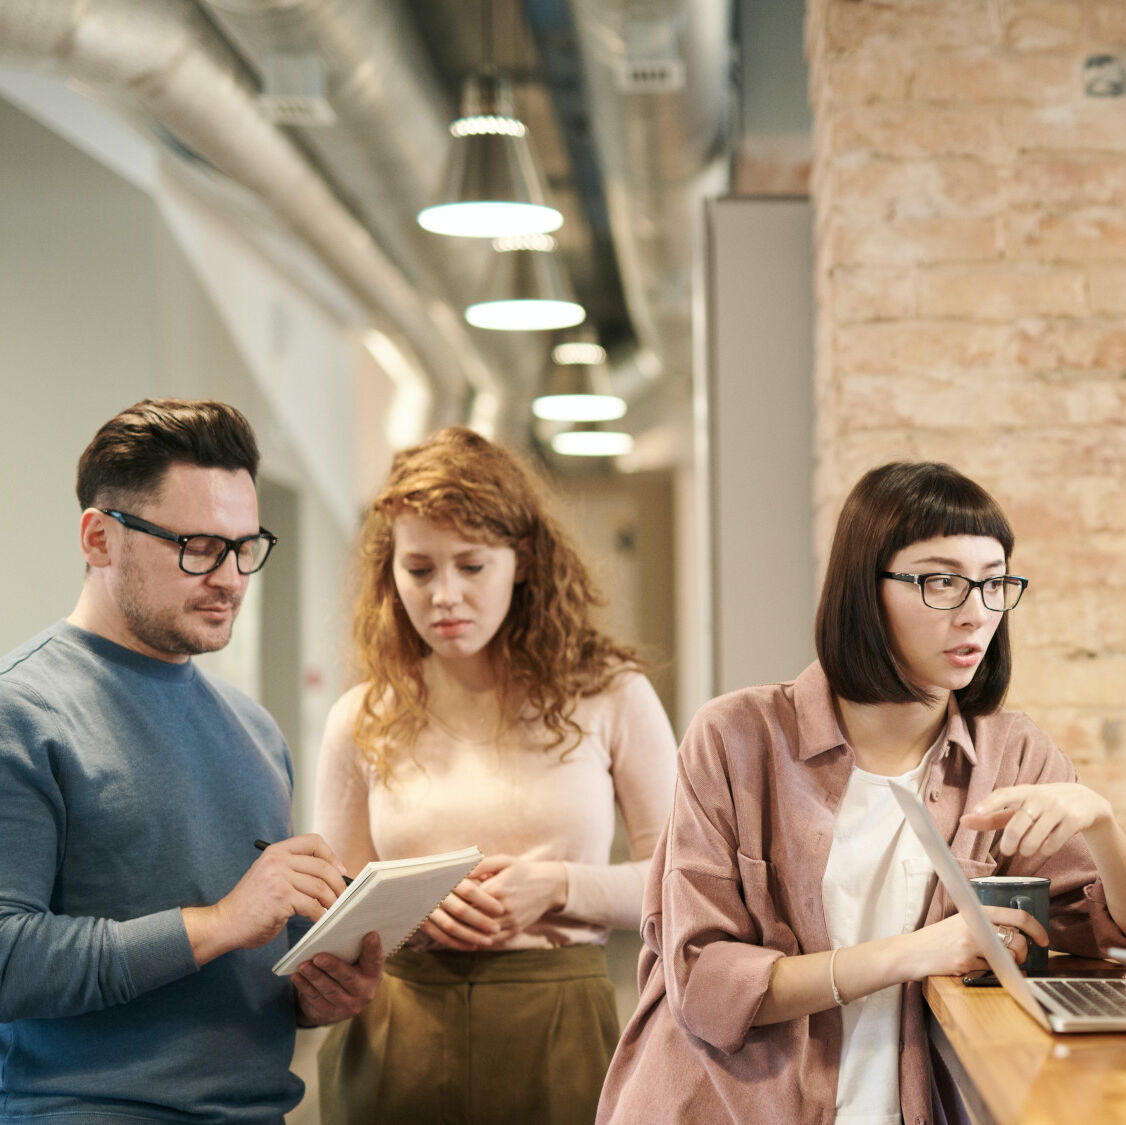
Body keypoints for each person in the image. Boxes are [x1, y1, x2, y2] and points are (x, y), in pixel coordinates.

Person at [596, 460, 1126, 1125]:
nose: (976, 613)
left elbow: (1105, 943)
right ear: (862, 590)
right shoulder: (737, 737)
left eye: (995, 584)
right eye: (942, 581)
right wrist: (917, 952)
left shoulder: (1015, 753)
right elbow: (704, 984)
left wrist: (1104, 826)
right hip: (726, 1105)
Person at [0, 398, 383, 1123]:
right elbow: (7, 957)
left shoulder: (255, 730)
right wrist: (218, 922)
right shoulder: (22, 711)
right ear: (99, 538)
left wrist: (314, 992)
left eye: (245, 547)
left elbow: (244, 970)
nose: (232, 578)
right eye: (199, 546)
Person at [313, 425, 678, 1123]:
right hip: (400, 1027)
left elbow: (684, 887)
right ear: (390, 573)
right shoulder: (362, 715)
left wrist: (560, 886)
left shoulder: (611, 694)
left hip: (561, 1020)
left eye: (472, 566)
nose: (445, 595)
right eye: (419, 570)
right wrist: (404, 913)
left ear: (524, 559)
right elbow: (332, 914)